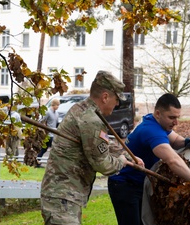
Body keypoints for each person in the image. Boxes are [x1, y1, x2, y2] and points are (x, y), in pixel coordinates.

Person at [40, 70, 144, 225]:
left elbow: (102, 145)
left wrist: (129, 157)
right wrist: (122, 161)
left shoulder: (82, 110)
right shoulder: (91, 120)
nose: (117, 104)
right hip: (62, 196)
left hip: (64, 195)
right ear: (105, 97)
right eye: (116, 99)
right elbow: (102, 164)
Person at [108, 93, 190, 225]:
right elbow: (172, 160)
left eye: (177, 117)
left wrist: (186, 142)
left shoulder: (156, 122)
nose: (176, 122)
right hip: (124, 185)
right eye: (172, 117)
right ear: (158, 113)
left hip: (137, 184)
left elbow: (174, 140)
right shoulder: (151, 131)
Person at [36, 98, 60, 167]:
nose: (58, 107)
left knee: (44, 149)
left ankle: (37, 160)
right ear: (53, 105)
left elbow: (57, 123)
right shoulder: (48, 112)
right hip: (48, 134)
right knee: (54, 148)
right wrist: (44, 129)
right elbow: (41, 120)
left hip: (54, 133)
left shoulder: (57, 113)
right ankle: (53, 164)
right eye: (57, 105)